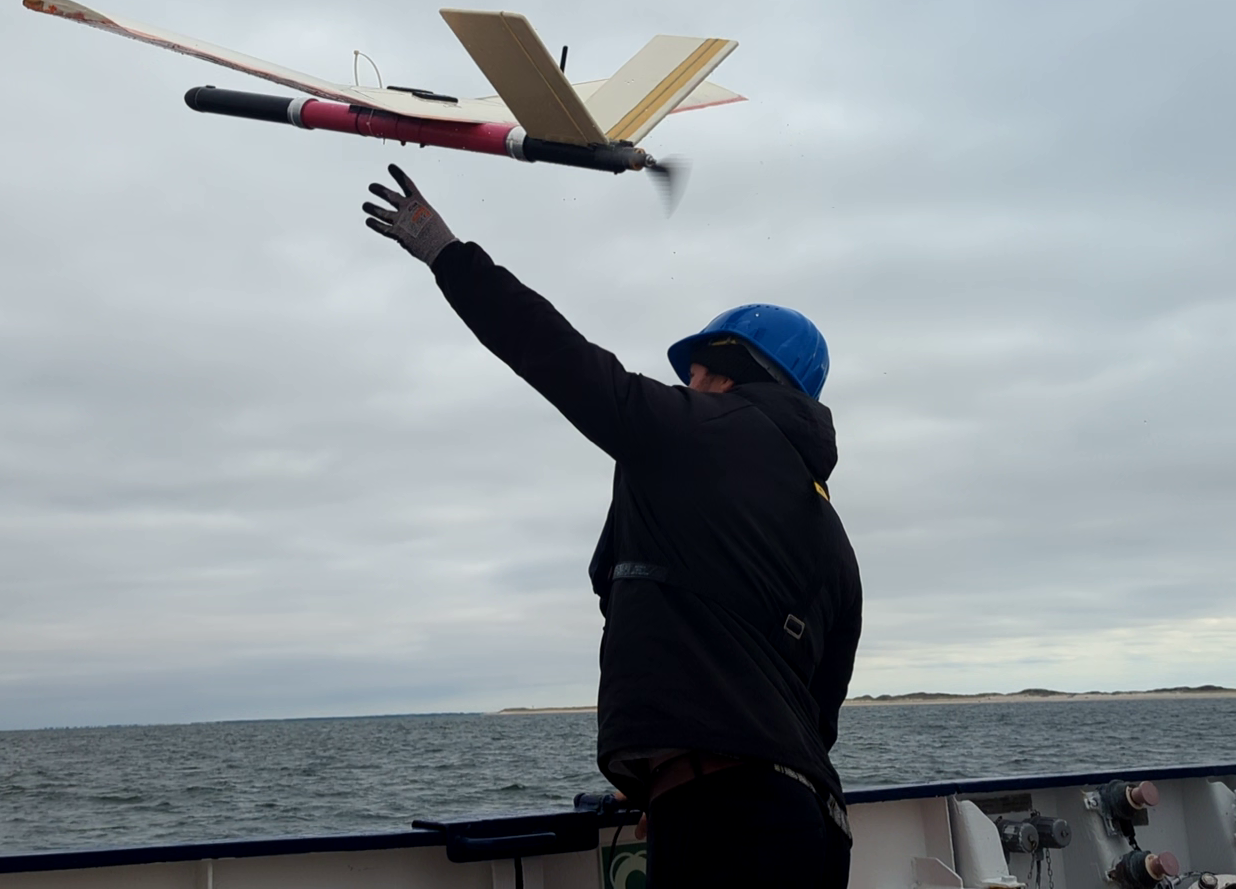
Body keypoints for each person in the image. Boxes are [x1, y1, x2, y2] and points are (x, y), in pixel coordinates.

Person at [362, 165, 862, 886]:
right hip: (808, 822)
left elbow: (564, 362)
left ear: (731, 370)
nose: (687, 383)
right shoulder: (832, 534)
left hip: (728, 820)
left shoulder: (698, 431)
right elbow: (819, 713)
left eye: (698, 369)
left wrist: (445, 252)